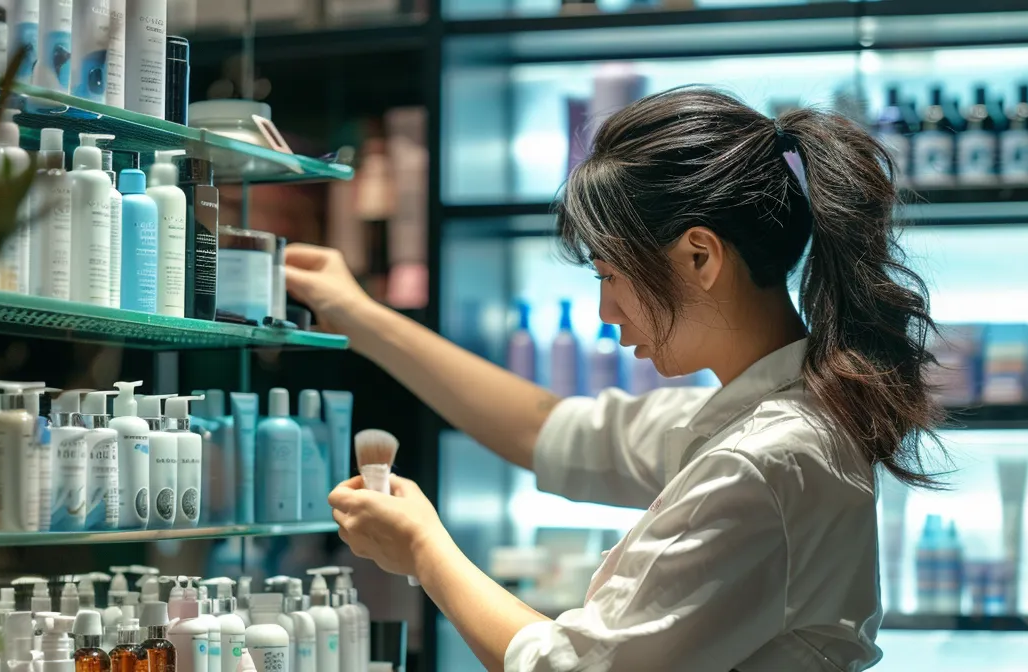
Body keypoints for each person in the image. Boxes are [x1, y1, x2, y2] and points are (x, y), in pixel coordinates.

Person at [285, 87, 943, 672]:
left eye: (609, 275)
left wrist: (426, 551)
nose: (606, 313)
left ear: (699, 256)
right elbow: (545, 427)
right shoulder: (764, 417)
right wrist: (360, 317)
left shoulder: (767, 459)